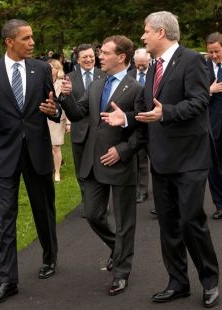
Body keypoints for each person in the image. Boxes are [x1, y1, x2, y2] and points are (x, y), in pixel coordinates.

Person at [101, 11, 219, 308]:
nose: (142, 37)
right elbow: (144, 108)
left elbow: (199, 101)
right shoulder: (153, 66)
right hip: (162, 159)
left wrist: (165, 112)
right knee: (168, 224)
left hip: (191, 157)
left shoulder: (193, 60)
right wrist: (126, 118)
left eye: (146, 31)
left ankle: (209, 281)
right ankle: (178, 282)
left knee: (192, 220)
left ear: (161, 32)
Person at [0, 19, 61, 305]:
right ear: (9, 41)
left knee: (43, 211)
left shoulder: (41, 69)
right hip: (5, 156)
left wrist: (53, 110)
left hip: (37, 153)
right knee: (6, 218)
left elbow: (53, 106)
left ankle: (50, 257)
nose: (32, 42)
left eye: (32, 37)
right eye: (26, 38)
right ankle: (7, 280)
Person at [60, 35, 147, 296]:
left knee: (125, 223)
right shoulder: (98, 84)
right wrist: (65, 98)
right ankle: (116, 249)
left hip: (120, 163)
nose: (99, 56)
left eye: (105, 53)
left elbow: (142, 130)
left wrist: (122, 151)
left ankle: (121, 272)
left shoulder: (136, 88)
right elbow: (78, 114)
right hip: (93, 163)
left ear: (121, 56)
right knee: (94, 214)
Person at [67, 44, 105, 215]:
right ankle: (87, 204)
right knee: (81, 171)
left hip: (101, 131)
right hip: (79, 132)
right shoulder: (69, 78)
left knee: (100, 169)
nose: (89, 59)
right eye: (85, 57)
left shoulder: (104, 75)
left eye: (91, 56)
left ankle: (102, 204)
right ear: (77, 59)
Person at [129, 48, 151, 205]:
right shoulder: (129, 76)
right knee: (140, 159)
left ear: (149, 61)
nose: (141, 67)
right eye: (138, 64)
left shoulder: (156, 74)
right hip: (136, 124)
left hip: (154, 124)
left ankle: (162, 191)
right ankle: (141, 191)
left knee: (157, 161)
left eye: (144, 64)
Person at [205, 32, 222, 220]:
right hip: (211, 127)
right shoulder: (203, 67)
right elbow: (193, 93)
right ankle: (219, 204)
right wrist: (209, 90)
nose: (214, 56)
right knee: (214, 169)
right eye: (211, 52)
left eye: (217, 51)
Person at [47, 58, 70, 182]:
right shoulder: (41, 82)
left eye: (53, 68)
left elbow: (66, 104)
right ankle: (48, 169)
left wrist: (68, 122)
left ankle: (57, 172)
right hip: (43, 118)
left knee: (55, 146)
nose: (51, 70)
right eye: (48, 68)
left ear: (58, 70)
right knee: (46, 146)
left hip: (58, 118)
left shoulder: (62, 83)